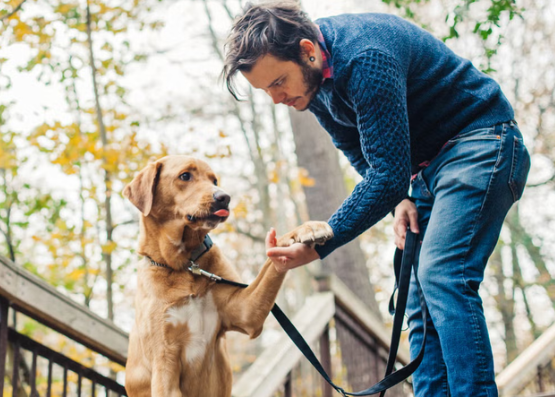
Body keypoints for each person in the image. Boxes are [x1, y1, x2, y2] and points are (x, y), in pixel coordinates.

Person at [222, 1, 531, 396]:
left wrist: (325, 239)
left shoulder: (365, 58)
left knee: (442, 274)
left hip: (481, 143)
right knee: (419, 302)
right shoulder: (312, 86)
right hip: (428, 168)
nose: (276, 98)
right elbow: (358, 148)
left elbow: (386, 172)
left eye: (278, 82)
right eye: (265, 90)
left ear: (307, 51)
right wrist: (400, 199)